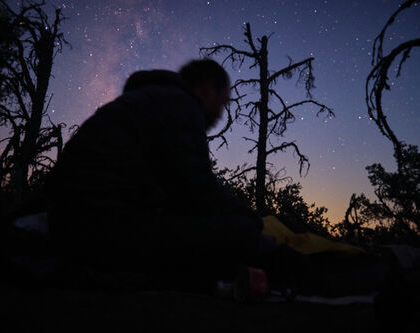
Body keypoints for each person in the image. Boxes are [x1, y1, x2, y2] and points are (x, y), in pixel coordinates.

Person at [44, 59, 277, 291]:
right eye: (222, 102)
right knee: (242, 233)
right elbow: (196, 190)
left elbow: (172, 191)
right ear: (206, 89)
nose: (220, 113)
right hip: (98, 230)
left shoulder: (147, 101)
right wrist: (251, 219)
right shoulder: (180, 104)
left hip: (73, 222)